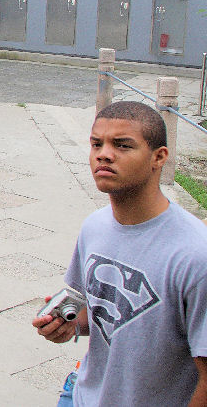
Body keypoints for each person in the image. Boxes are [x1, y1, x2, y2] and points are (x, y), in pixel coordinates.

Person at [32, 100, 207, 406]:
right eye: (96, 143)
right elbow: (103, 314)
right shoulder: (94, 227)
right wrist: (69, 325)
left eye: (122, 145)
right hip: (80, 394)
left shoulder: (195, 255)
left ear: (159, 157)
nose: (104, 154)